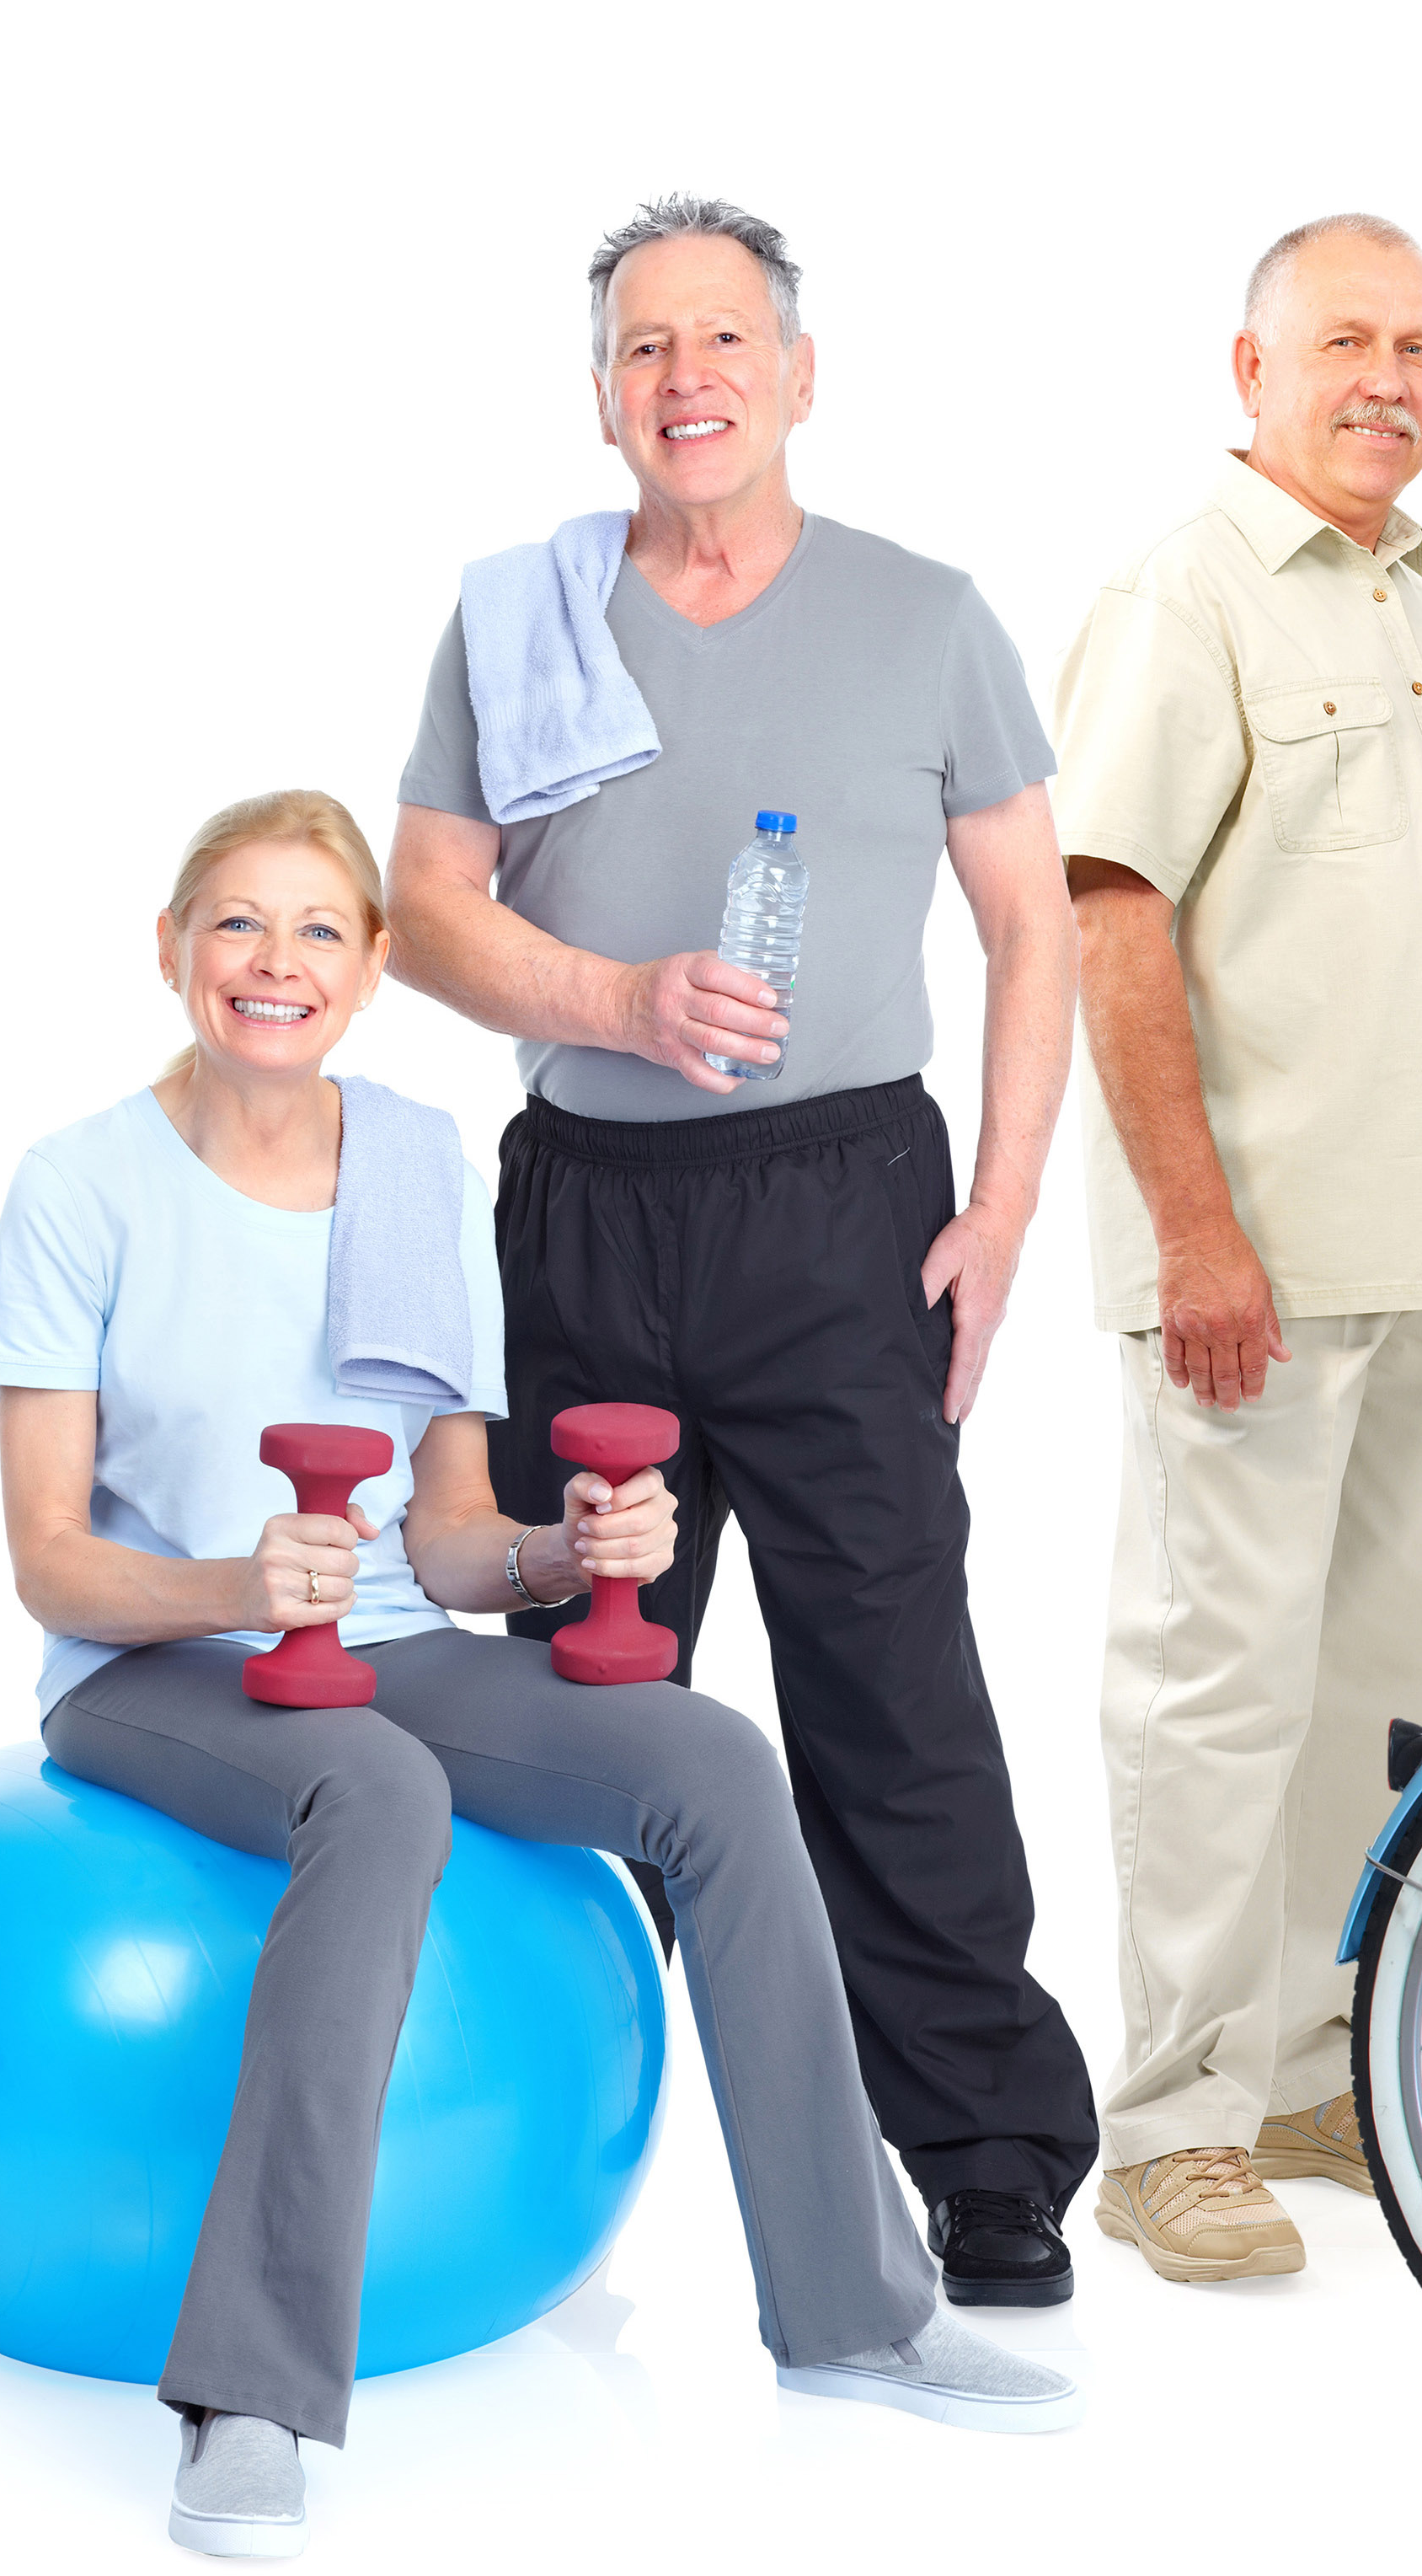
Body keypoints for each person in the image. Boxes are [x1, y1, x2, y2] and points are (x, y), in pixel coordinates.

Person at [0, 794, 1076, 2561]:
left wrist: (576, 1551)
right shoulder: (82, 1184)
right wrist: (229, 1582)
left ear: (375, 963)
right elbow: (51, 1556)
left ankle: (856, 2304)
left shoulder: (417, 1160)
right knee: (382, 1789)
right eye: (239, 927)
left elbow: (453, 1535)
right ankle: (249, 2390)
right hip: (153, 1665)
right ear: (171, 948)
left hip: (388, 1645)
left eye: (321, 930)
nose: (278, 966)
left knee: (712, 1759)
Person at [387, 196, 1099, 2306]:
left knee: (891, 1683)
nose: (685, 377)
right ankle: (527, 2132)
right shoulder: (520, 616)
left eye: (723, 340)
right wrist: (620, 1001)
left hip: (847, 1208)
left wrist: (1001, 1206)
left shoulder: (927, 613)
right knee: (578, 1691)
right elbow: (425, 909)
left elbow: (1035, 924)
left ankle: (984, 2155)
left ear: (798, 375)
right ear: (603, 394)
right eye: (642, 348)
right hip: (591, 1211)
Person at [1050, 214, 1422, 2286]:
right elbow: (1111, 913)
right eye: (1345, 340)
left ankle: (1318, 2071)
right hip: (1254, 1262)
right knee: (1215, 1688)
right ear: (1246, 374)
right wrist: (1193, 1229)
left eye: (1420, 346)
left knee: (1387, 1693)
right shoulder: (1191, 596)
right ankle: (1166, 2120)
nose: (1389, 381)